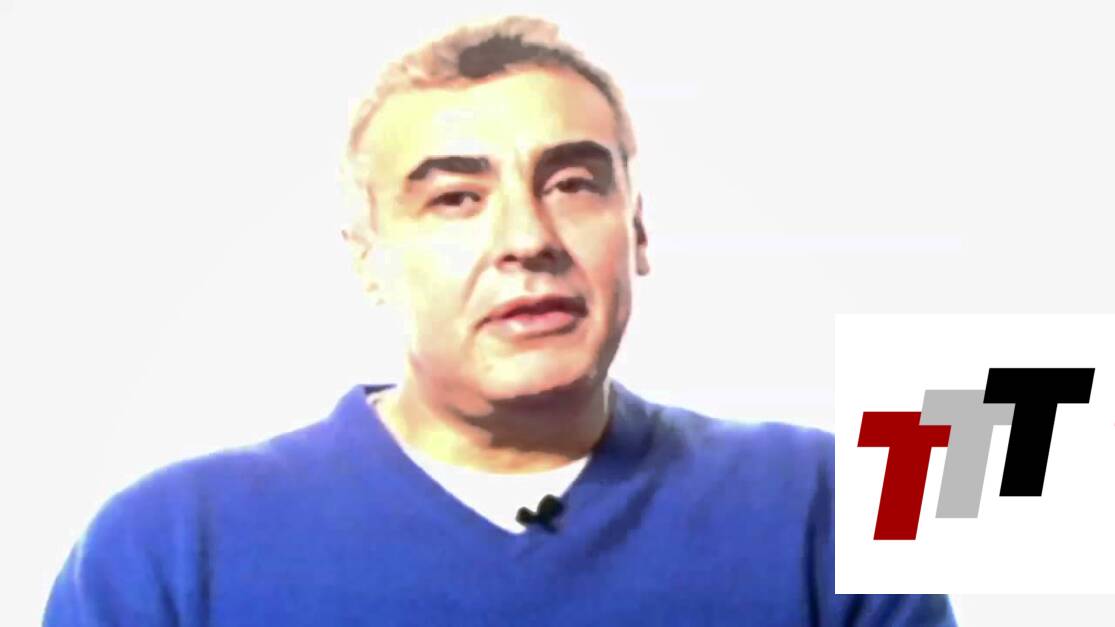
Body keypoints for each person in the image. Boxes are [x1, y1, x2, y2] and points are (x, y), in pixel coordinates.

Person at [44, 15, 957, 626]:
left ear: (636, 229)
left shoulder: (827, 506)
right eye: (454, 198)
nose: (527, 238)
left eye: (573, 184)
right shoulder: (170, 548)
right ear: (366, 256)